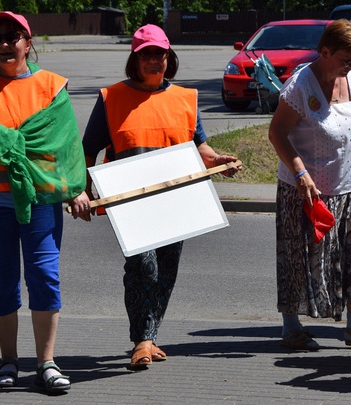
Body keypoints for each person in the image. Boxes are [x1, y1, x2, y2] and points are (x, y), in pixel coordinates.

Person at [0, 11, 89, 392]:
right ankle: (8, 360)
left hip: (39, 200)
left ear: (28, 41)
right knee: (3, 284)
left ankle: (46, 362)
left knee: (45, 278)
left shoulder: (52, 86)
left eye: (13, 36)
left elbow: (67, 147)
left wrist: (76, 188)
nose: (5, 44)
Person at [80, 24, 240, 369]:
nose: (154, 60)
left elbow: (200, 145)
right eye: (146, 55)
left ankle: (150, 335)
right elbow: (88, 149)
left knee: (167, 270)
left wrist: (218, 161)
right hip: (131, 202)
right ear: (134, 60)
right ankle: (142, 339)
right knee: (142, 268)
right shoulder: (111, 98)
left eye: (159, 54)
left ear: (169, 57)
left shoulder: (185, 98)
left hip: (177, 199)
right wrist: (82, 188)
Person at [268, 19, 351, 350]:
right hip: (304, 192)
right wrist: (299, 172)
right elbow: (276, 133)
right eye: (348, 59)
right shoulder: (300, 87)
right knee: (298, 258)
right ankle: (291, 326)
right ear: (325, 52)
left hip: (349, 189)